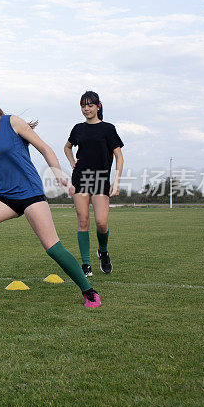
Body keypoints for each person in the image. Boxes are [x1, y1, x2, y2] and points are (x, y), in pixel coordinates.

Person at [0, 81, 101, 308]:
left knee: (53, 247)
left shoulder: (12, 123)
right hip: (4, 197)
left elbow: (45, 148)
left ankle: (89, 292)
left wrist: (58, 174)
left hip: (30, 194)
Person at [63, 91, 124, 277]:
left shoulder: (108, 129)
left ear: (98, 106)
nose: (86, 109)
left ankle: (103, 252)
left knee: (101, 222)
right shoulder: (78, 129)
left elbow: (119, 156)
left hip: (100, 179)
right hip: (80, 178)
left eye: (90, 105)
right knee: (83, 221)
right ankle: (86, 264)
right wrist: (72, 161)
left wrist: (117, 181)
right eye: (83, 105)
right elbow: (67, 147)